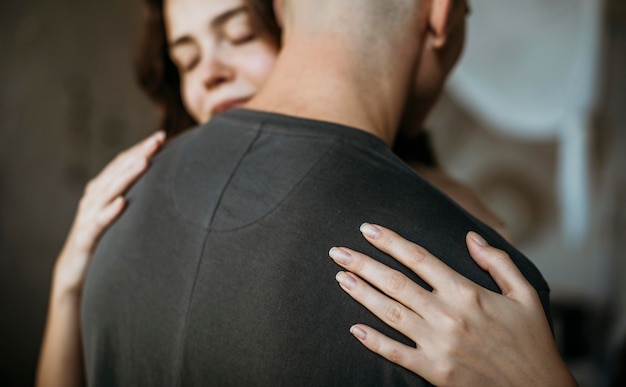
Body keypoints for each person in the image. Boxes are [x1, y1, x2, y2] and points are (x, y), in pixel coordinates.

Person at [36, 0, 572, 385]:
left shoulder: (129, 212)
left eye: (241, 35)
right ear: (441, 13)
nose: (215, 75)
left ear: (283, 20)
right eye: (187, 60)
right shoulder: (483, 282)